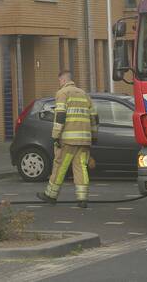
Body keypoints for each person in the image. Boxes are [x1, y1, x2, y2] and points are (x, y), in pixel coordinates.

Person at [36, 70, 97, 208]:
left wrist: (56, 136)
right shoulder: (84, 94)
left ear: (63, 80)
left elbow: (61, 116)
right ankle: (82, 199)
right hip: (84, 140)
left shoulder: (62, 93)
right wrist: (94, 137)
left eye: (59, 81)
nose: (59, 84)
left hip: (68, 140)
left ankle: (51, 195)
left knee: (60, 166)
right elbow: (94, 117)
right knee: (80, 167)